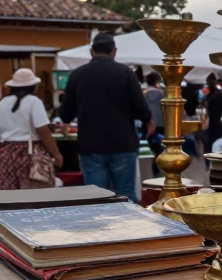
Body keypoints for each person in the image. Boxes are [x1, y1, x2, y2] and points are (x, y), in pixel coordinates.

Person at [59, 33, 152, 201]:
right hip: (123, 144)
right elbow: (142, 110)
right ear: (114, 51)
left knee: (96, 198)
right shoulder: (126, 73)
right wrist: (148, 121)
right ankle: (130, 227)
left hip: (91, 145)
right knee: (126, 196)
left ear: (91, 51)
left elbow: (65, 115)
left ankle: (100, 227)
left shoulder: (77, 75)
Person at [0, 69, 63, 189]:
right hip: (30, 154)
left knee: (9, 197)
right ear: (32, 87)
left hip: (6, 153)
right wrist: (56, 154)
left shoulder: (2, 103)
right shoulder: (34, 102)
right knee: (33, 196)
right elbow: (43, 131)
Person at [143, 72, 165, 171]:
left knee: (148, 146)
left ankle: (149, 165)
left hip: (146, 123)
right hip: (160, 123)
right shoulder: (161, 93)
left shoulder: (143, 93)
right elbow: (164, 109)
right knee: (159, 146)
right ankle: (157, 165)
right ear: (157, 81)